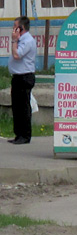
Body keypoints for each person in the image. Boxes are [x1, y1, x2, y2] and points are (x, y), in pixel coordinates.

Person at [8, 16, 36, 145]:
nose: (13, 29)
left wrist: (14, 41)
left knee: (23, 107)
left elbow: (17, 55)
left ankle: (25, 135)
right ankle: (18, 134)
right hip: (17, 76)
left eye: (15, 27)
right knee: (16, 107)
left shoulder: (27, 41)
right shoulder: (21, 40)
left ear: (21, 28)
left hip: (25, 76)